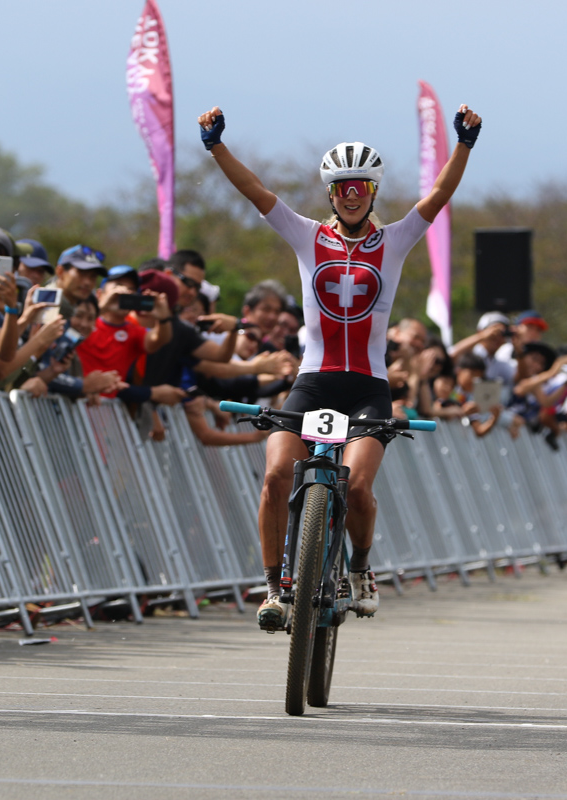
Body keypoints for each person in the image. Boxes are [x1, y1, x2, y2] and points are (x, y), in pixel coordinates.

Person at [199, 99, 482, 630]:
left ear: (372, 192)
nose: (352, 195)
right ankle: (274, 587)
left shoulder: (394, 241)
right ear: (331, 194)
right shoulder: (308, 235)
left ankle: (360, 569)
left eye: (361, 187)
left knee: (356, 488)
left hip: (368, 389)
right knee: (277, 476)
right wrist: (216, 146)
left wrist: (463, 142)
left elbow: (439, 195)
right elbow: (255, 191)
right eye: (342, 187)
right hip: (313, 383)